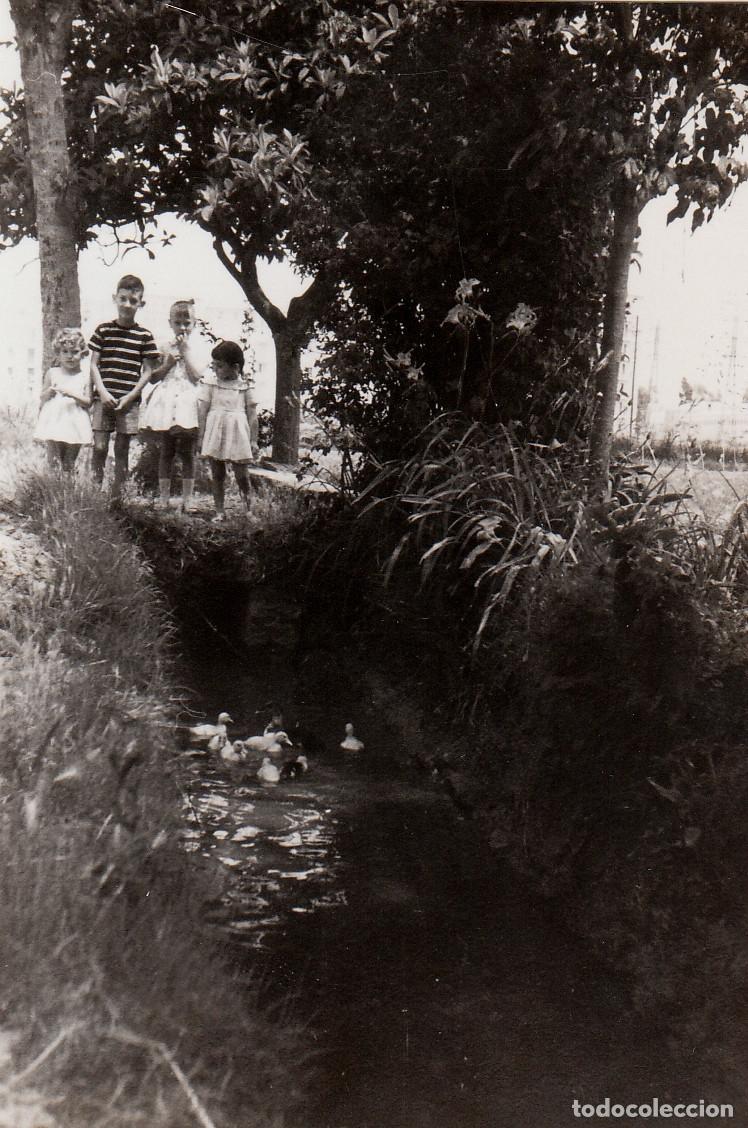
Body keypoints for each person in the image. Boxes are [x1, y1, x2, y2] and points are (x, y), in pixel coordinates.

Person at [89, 274, 160, 498]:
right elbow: (93, 364)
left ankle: (117, 496)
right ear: (115, 298)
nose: (127, 305)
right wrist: (101, 390)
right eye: (123, 299)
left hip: (129, 402)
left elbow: (148, 371)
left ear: (141, 303)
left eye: (133, 300)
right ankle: (94, 491)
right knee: (100, 447)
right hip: (104, 398)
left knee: (122, 449)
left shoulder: (145, 336)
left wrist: (130, 397)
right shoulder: (103, 330)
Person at [140, 299, 207, 511]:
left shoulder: (197, 347)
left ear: (194, 324)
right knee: (167, 450)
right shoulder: (163, 347)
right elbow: (153, 377)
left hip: (188, 401)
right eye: (178, 323)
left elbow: (197, 376)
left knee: (188, 451)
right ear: (170, 323)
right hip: (168, 401)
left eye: (187, 323)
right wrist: (168, 363)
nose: (183, 327)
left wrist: (186, 353)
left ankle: (188, 499)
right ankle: (163, 498)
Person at [197, 340, 259, 522]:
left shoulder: (245, 386)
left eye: (220, 366)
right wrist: (201, 437)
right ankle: (219, 511)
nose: (216, 370)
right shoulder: (211, 384)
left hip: (238, 432)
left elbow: (253, 415)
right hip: (215, 431)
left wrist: (253, 440)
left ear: (236, 367)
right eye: (214, 365)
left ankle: (249, 510)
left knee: (241, 474)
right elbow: (203, 411)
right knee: (217, 473)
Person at [33, 327, 93, 472]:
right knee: (53, 459)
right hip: (55, 419)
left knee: (69, 461)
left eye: (74, 352)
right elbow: (42, 397)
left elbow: (88, 402)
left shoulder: (85, 376)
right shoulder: (52, 373)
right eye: (64, 352)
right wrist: (49, 392)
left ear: (83, 353)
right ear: (58, 354)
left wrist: (72, 394)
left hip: (75, 422)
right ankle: (52, 488)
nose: (69, 356)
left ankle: (67, 490)